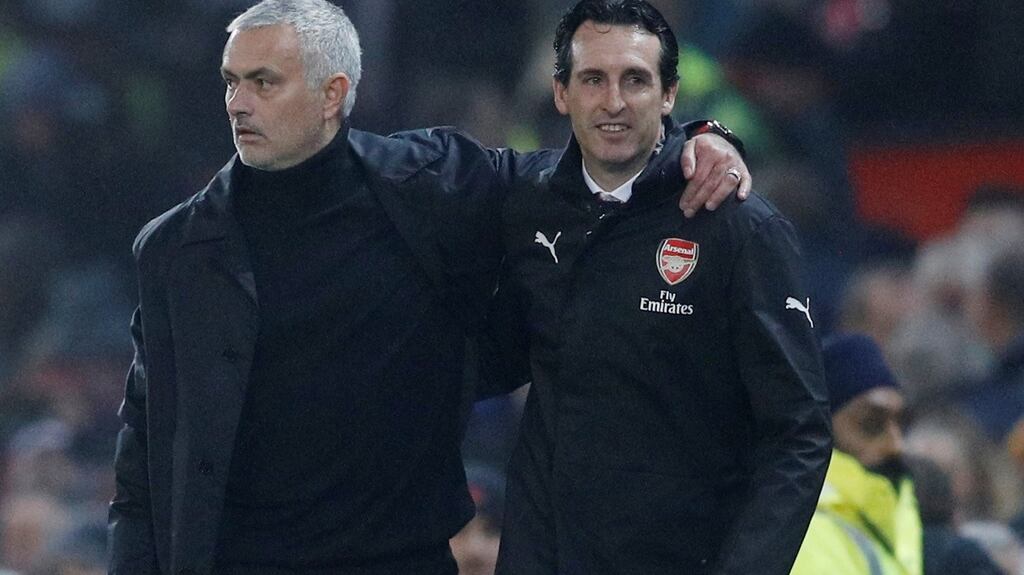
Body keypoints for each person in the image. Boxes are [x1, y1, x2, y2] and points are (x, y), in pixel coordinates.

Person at [105, 1, 751, 574]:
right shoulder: (174, 249)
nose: (238, 103)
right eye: (232, 82)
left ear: (333, 94)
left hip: (396, 558)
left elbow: (570, 177)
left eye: (263, 82)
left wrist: (698, 141)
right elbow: (142, 466)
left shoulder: (427, 184)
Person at [487, 2, 831, 573]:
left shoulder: (739, 227)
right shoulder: (529, 207)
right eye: (593, 79)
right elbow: (490, 357)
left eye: (636, 80)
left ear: (669, 94)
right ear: (561, 92)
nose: (614, 101)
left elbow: (798, 432)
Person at [790, 333, 923, 575]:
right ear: (820, 432)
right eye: (871, 424)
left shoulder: (888, 521)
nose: (896, 445)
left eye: (901, 424)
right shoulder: (807, 535)